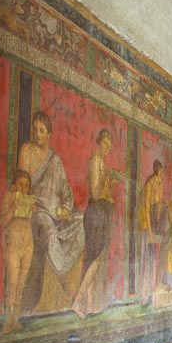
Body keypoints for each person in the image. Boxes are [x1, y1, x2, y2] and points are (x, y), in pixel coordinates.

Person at [18, 110, 84, 313]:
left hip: (55, 213)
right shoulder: (27, 150)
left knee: (81, 221)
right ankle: (73, 295)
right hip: (35, 211)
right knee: (51, 235)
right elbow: (21, 184)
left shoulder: (55, 160)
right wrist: (30, 204)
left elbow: (65, 189)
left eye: (42, 130)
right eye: (35, 129)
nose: (37, 134)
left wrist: (65, 208)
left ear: (50, 135)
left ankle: (68, 295)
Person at [72, 128, 125, 317]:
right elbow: (95, 193)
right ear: (99, 142)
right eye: (105, 144)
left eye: (110, 146)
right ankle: (78, 301)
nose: (107, 148)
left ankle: (91, 304)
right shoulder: (96, 161)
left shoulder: (101, 163)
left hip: (102, 213)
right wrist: (107, 176)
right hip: (96, 213)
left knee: (97, 259)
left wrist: (111, 179)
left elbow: (105, 192)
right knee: (94, 260)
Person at [0, 170, 35, 333]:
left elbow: (30, 222)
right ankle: (8, 320)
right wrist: (13, 208)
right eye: (21, 185)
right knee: (12, 283)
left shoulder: (28, 200)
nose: (24, 188)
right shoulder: (10, 197)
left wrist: (32, 211)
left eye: (27, 186)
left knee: (21, 284)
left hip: (27, 244)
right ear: (15, 185)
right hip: (14, 245)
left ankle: (16, 319)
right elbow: (2, 221)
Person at [136, 160, 165, 304]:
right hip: (146, 225)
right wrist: (150, 232)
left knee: (152, 259)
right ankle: (143, 296)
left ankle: (150, 293)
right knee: (145, 260)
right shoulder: (149, 185)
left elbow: (159, 206)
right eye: (160, 174)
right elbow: (147, 210)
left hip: (155, 224)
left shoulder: (159, 185)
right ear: (156, 172)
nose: (161, 177)